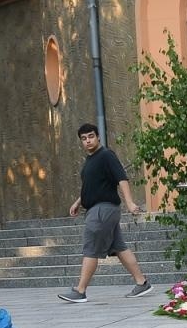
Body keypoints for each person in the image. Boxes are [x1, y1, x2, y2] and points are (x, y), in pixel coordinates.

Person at [58, 122, 153, 304]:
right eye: (84, 139)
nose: (88, 141)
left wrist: (130, 203)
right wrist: (79, 201)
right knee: (119, 247)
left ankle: (80, 290)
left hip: (102, 210)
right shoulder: (90, 161)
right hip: (98, 209)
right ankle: (142, 282)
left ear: (98, 136)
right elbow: (92, 185)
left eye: (91, 136)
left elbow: (122, 179)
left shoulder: (106, 155)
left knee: (91, 248)